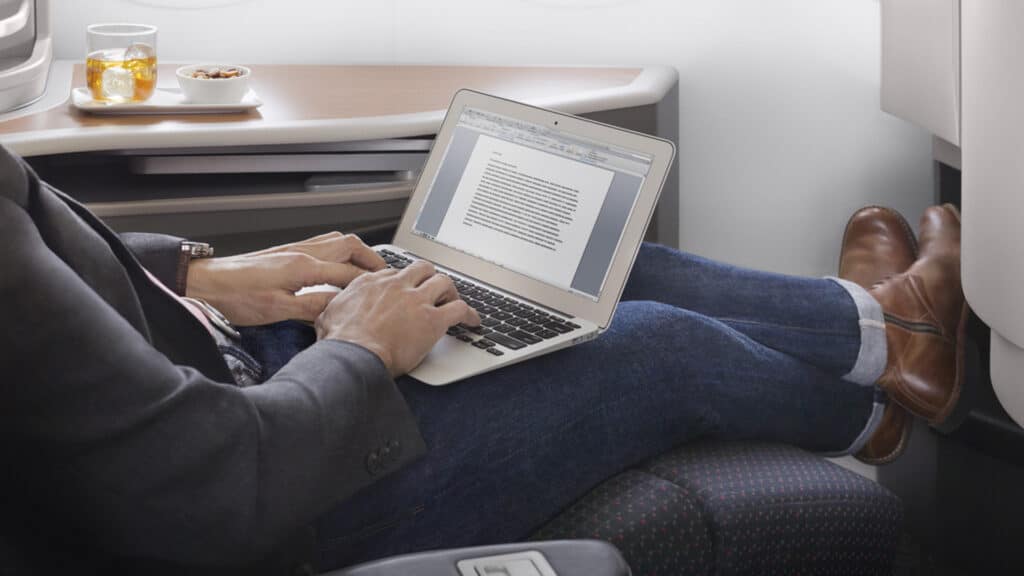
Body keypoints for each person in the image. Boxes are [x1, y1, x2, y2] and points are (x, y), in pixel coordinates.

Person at [0, 144, 965, 574]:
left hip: (225, 375)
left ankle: (886, 331)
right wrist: (362, 350)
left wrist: (196, 276)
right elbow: (214, 492)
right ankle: (872, 403)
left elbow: (49, 258)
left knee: (597, 266)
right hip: (275, 493)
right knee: (652, 349)